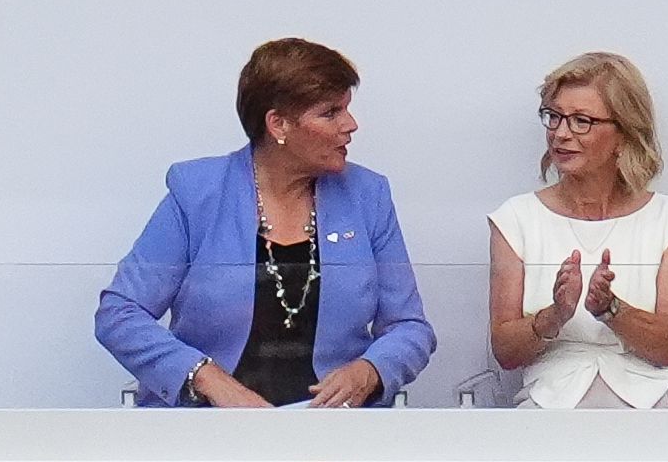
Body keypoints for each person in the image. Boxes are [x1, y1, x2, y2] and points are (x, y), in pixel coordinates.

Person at [97, 37, 436, 407]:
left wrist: (370, 370)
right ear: (278, 125)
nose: (350, 125)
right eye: (331, 112)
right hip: (210, 426)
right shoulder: (198, 193)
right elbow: (120, 314)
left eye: (347, 109)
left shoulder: (368, 195)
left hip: (335, 431)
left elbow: (410, 328)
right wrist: (205, 377)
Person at [485, 51, 668, 409]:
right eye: (553, 117)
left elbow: (667, 348)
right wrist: (556, 315)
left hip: (650, 412)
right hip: (546, 410)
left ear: (624, 133)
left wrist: (610, 309)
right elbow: (506, 352)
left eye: (581, 121)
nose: (560, 133)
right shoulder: (516, 217)